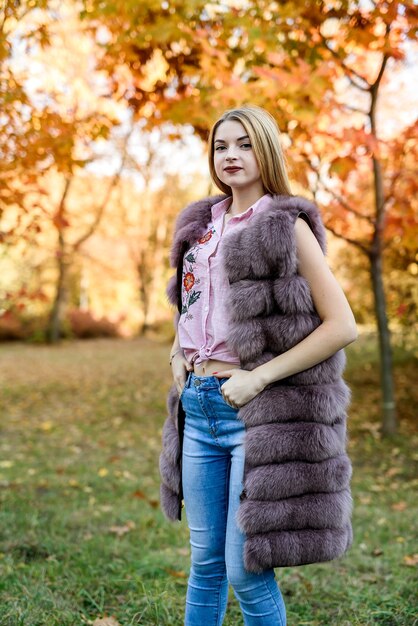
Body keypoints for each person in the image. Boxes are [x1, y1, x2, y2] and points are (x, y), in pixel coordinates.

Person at [160, 104, 357, 626]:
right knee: (204, 563)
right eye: (221, 146)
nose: (231, 155)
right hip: (197, 410)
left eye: (244, 144)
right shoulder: (200, 228)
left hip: (258, 416)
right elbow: (195, 304)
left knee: (246, 568)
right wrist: (179, 350)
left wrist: (260, 376)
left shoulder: (283, 226)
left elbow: (342, 325)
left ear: (265, 150)